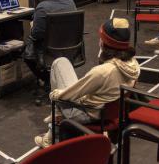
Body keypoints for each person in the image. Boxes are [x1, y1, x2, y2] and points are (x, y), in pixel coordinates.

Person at [34, 18, 140, 147]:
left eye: (101, 38)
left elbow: (68, 95)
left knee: (58, 64)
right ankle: (51, 132)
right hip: (110, 111)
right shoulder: (133, 64)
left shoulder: (102, 72)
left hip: (86, 113)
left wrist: (54, 95)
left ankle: (51, 134)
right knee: (62, 63)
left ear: (105, 42)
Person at [23, 0, 77, 87]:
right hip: (71, 47)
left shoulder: (42, 7)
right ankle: (55, 80)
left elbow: (36, 34)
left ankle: (48, 80)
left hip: (49, 50)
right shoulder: (70, 1)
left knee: (27, 53)